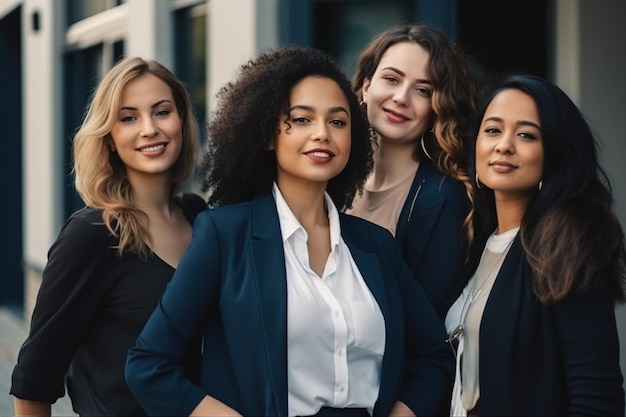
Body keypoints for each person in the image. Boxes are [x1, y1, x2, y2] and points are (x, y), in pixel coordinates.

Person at [125, 45, 454, 417]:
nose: (322, 134)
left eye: (338, 121)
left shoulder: (376, 244)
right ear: (267, 135)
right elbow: (149, 364)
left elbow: (434, 356)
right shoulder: (224, 234)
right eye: (301, 119)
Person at [10, 57, 206, 416]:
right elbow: (32, 382)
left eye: (162, 112)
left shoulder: (199, 217)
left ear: (181, 121)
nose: (149, 129)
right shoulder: (92, 236)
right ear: (111, 138)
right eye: (128, 118)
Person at [443, 74, 626, 416]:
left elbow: (596, 398)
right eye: (493, 130)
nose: (504, 145)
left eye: (526, 135)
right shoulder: (476, 246)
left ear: (554, 154)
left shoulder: (567, 248)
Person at [346, 23, 481, 317]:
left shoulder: (443, 199)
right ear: (366, 87)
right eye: (392, 79)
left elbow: (420, 327)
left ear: (437, 108)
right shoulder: (331, 180)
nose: (401, 97)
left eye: (422, 89)